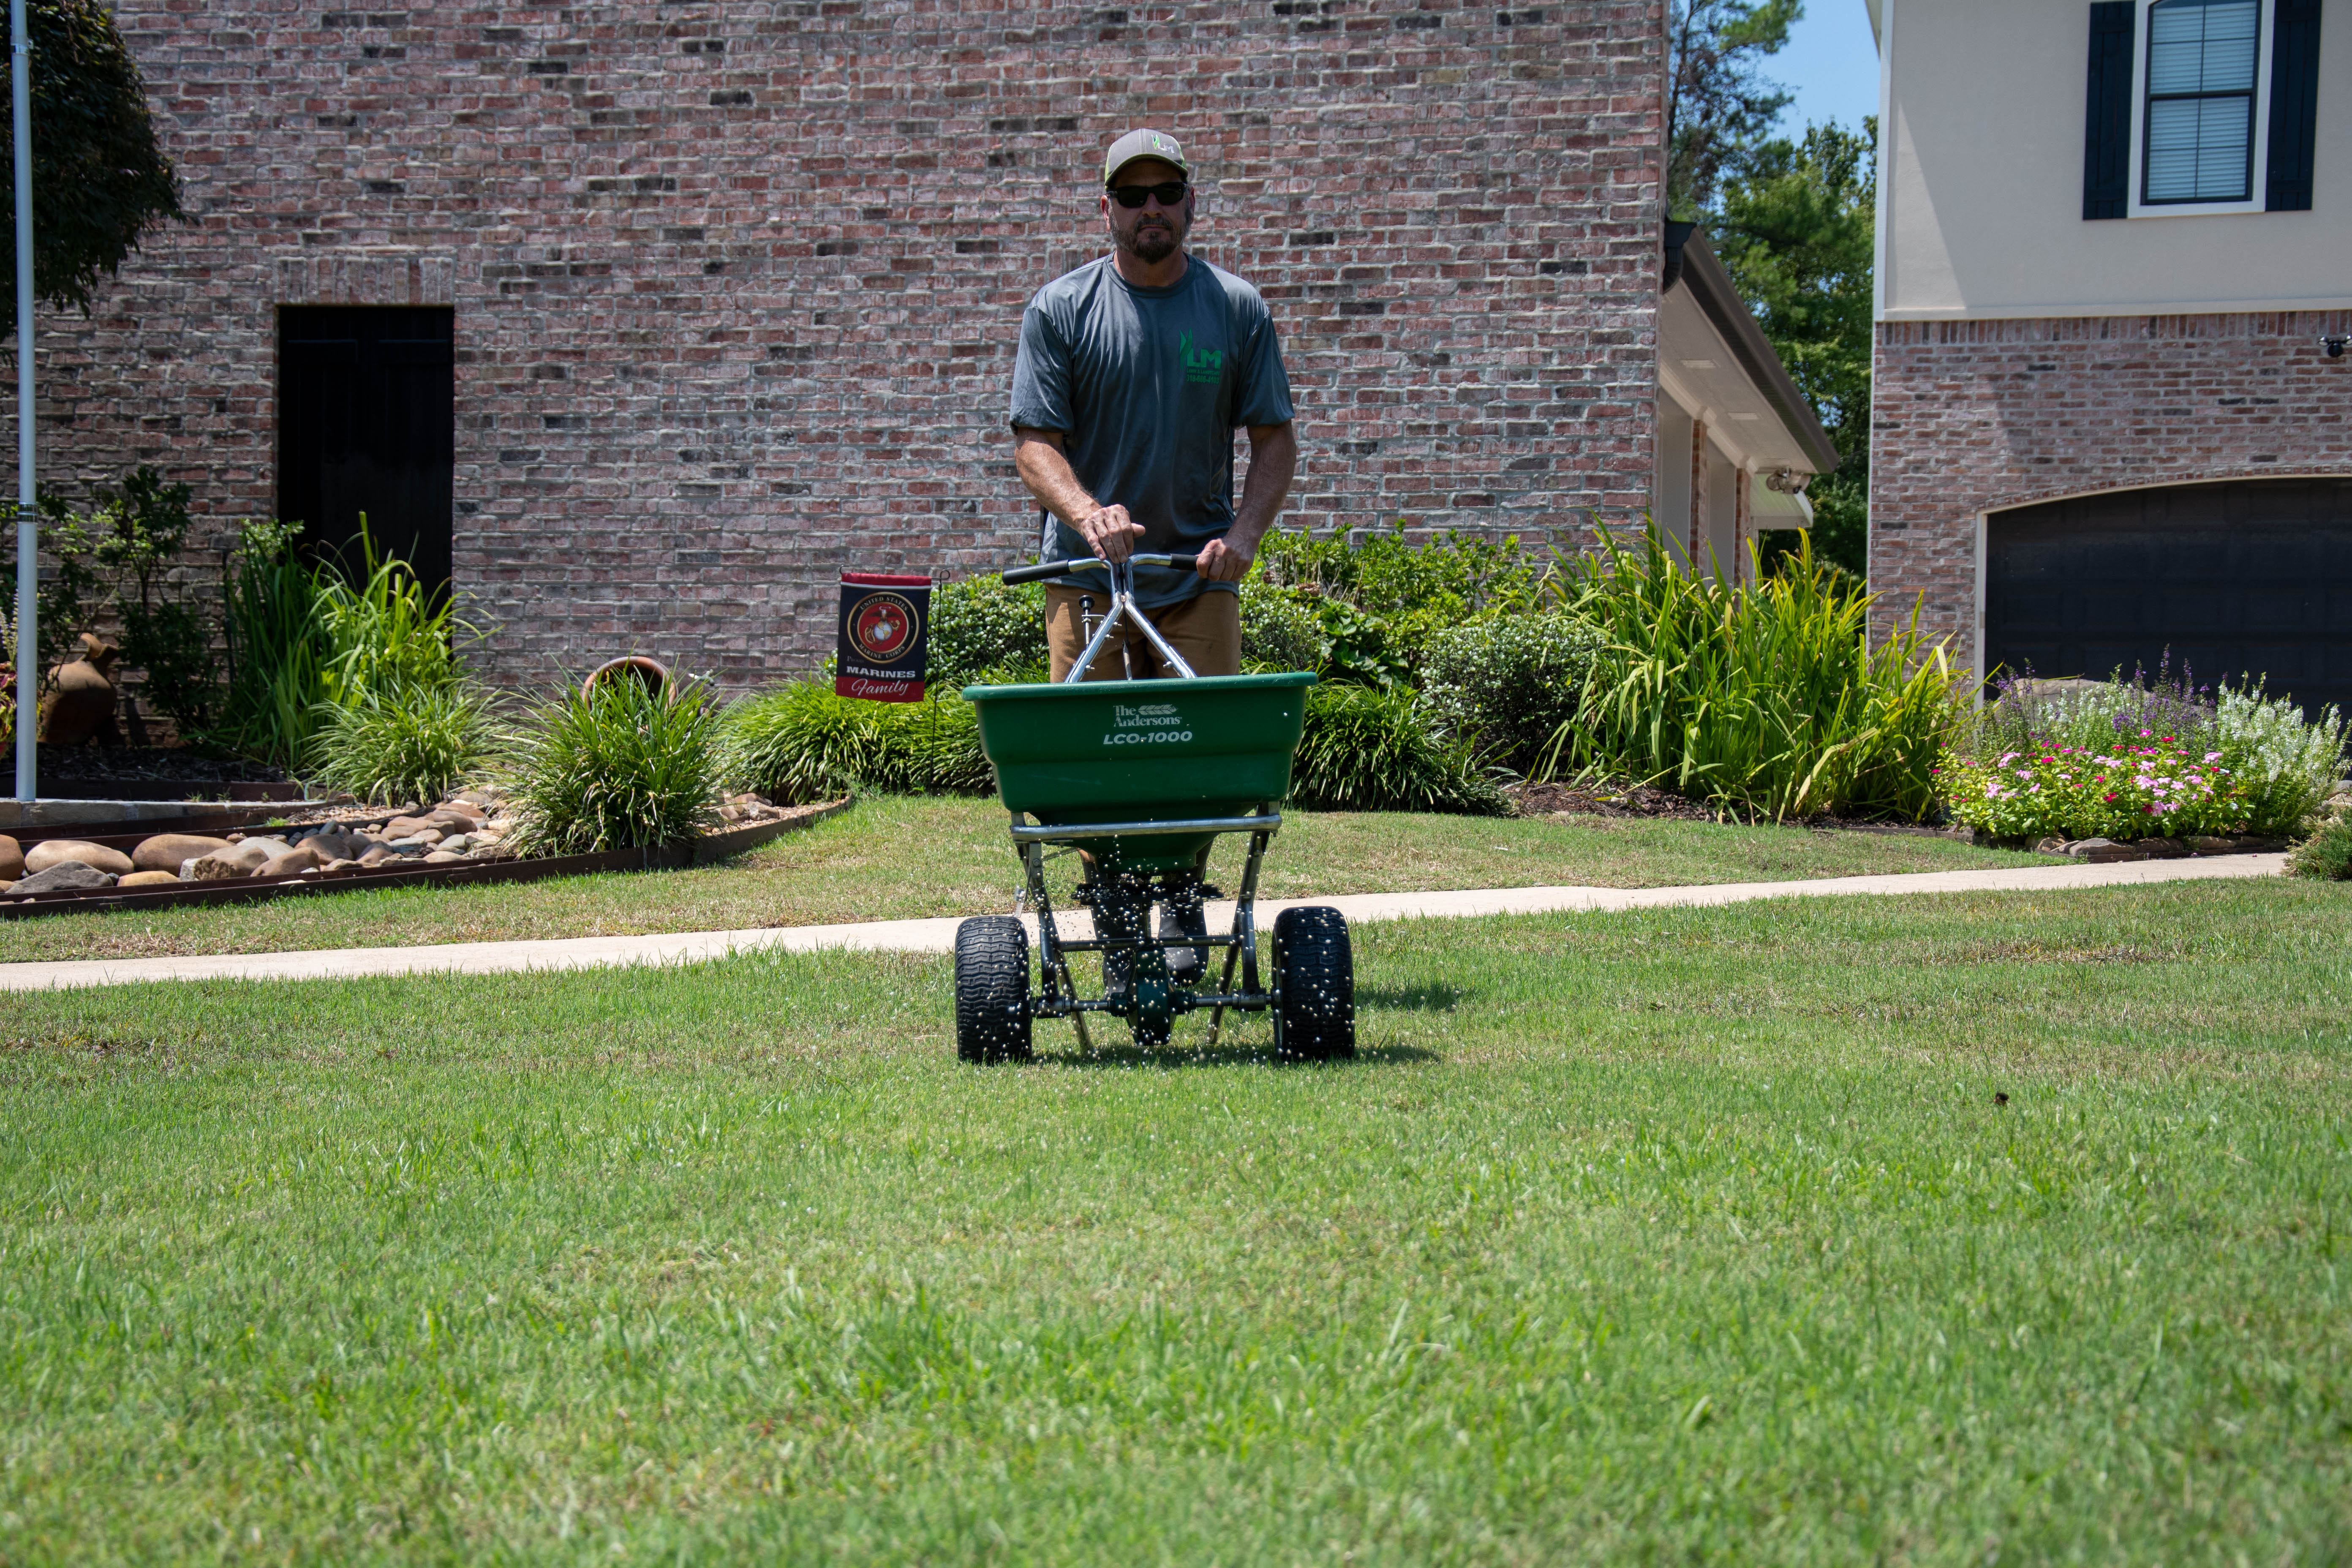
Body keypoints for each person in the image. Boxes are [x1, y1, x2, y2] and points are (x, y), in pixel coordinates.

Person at [1008, 128, 1298, 681]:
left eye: (1167, 192)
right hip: (1087, 576)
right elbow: (1034, 446)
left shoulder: (1236, 309)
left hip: (1198, 577)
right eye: (1132, 196)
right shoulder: (1061, 310)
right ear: (1106, 208)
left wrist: (1245, 536)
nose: (1151, 208)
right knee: (1093, 754)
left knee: (1200, 749)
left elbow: (1275, 440)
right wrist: (1089, 515)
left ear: (1191, 203)